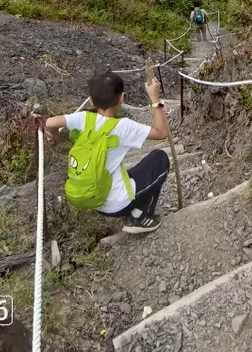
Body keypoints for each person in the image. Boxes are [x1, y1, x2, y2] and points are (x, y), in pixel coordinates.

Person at [35, 72, 170, 234]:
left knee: (130, 171)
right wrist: (155, 99)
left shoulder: (83, 118)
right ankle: (139, 217)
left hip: (93, 200)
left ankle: (131, 210)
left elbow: (49, 123)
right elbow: (162, 133)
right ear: (121, 98)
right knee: (159, 158)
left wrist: (54, 136)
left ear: (91, 101)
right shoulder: (124, 126)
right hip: (117, 205)